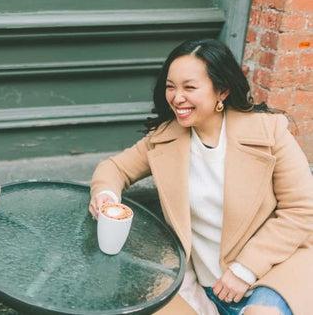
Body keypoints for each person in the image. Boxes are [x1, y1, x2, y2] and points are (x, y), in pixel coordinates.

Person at [89, 38, 313, 315]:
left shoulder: (270, 133)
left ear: (222, 90)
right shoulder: (164, 139)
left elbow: (302, 209)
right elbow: (115, 168)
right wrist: (106, 197)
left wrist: (245, 270)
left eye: (189, 87)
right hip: (203, 284)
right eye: (171, 87)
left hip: (271, 276)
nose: (177, 97)